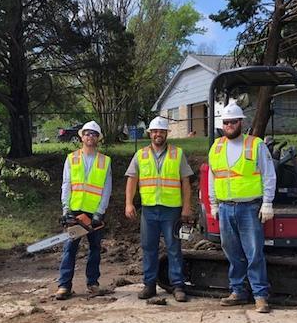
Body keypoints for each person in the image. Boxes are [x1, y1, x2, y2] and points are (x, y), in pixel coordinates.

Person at [208, 103, 276, 313]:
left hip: (249, 208)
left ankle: (260, 295)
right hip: (226, 208)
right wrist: (213, 203)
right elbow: (213, 176)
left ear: (241, 122)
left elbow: (268, 174)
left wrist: (267, 202)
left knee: (254, 252)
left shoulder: (255, 145)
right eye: (226, 122)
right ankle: (237, 290)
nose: (229, 125)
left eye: (233, 122)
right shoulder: (216, 147)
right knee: (232, 252)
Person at [125, 116, 194, 302]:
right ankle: (149, 285)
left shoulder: (177, 154)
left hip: (171, 210)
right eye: (155, 131)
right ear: (150, 133)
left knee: (174, 248)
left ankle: (177, 285)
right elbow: (132, 180)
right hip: (149, 210)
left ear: (166, 134)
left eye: (161, 131)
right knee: (149, 248)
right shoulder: (140, 155)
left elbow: (186, 183)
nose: (158, 134)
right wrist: (129, 203)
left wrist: (187, 207)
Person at [56, 120, 112, 300]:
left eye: (94, 134)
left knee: (95, 248)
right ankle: (64, 285)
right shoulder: (71, 158)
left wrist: (99, 213)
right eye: (87, 133)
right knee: (70, 248)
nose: (90, 137)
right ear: (82, 136)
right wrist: (66, 210)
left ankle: (93, 283)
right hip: (75, 210)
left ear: (98, 139)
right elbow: (66, 184)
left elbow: (106, 189)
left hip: (94, 213)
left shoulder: (105, 161)